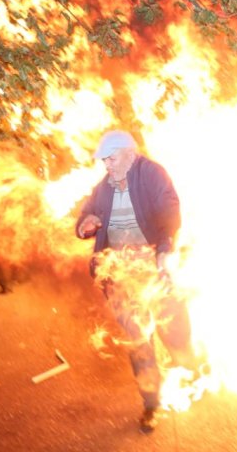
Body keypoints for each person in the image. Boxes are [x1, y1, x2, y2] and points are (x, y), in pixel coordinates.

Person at [76, 130, 199, 433]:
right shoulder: (103, 187)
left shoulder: (151, 174)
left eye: (111, 157)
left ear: (129, 154)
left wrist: (166, 244)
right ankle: (151, 404)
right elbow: (86, 212)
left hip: (153, 269)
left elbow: (169, 208)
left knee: (173, 327)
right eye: (104, 159)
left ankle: (191, 369)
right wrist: (85, 225)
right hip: (120, 276)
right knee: (138, 340)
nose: (106, 164)